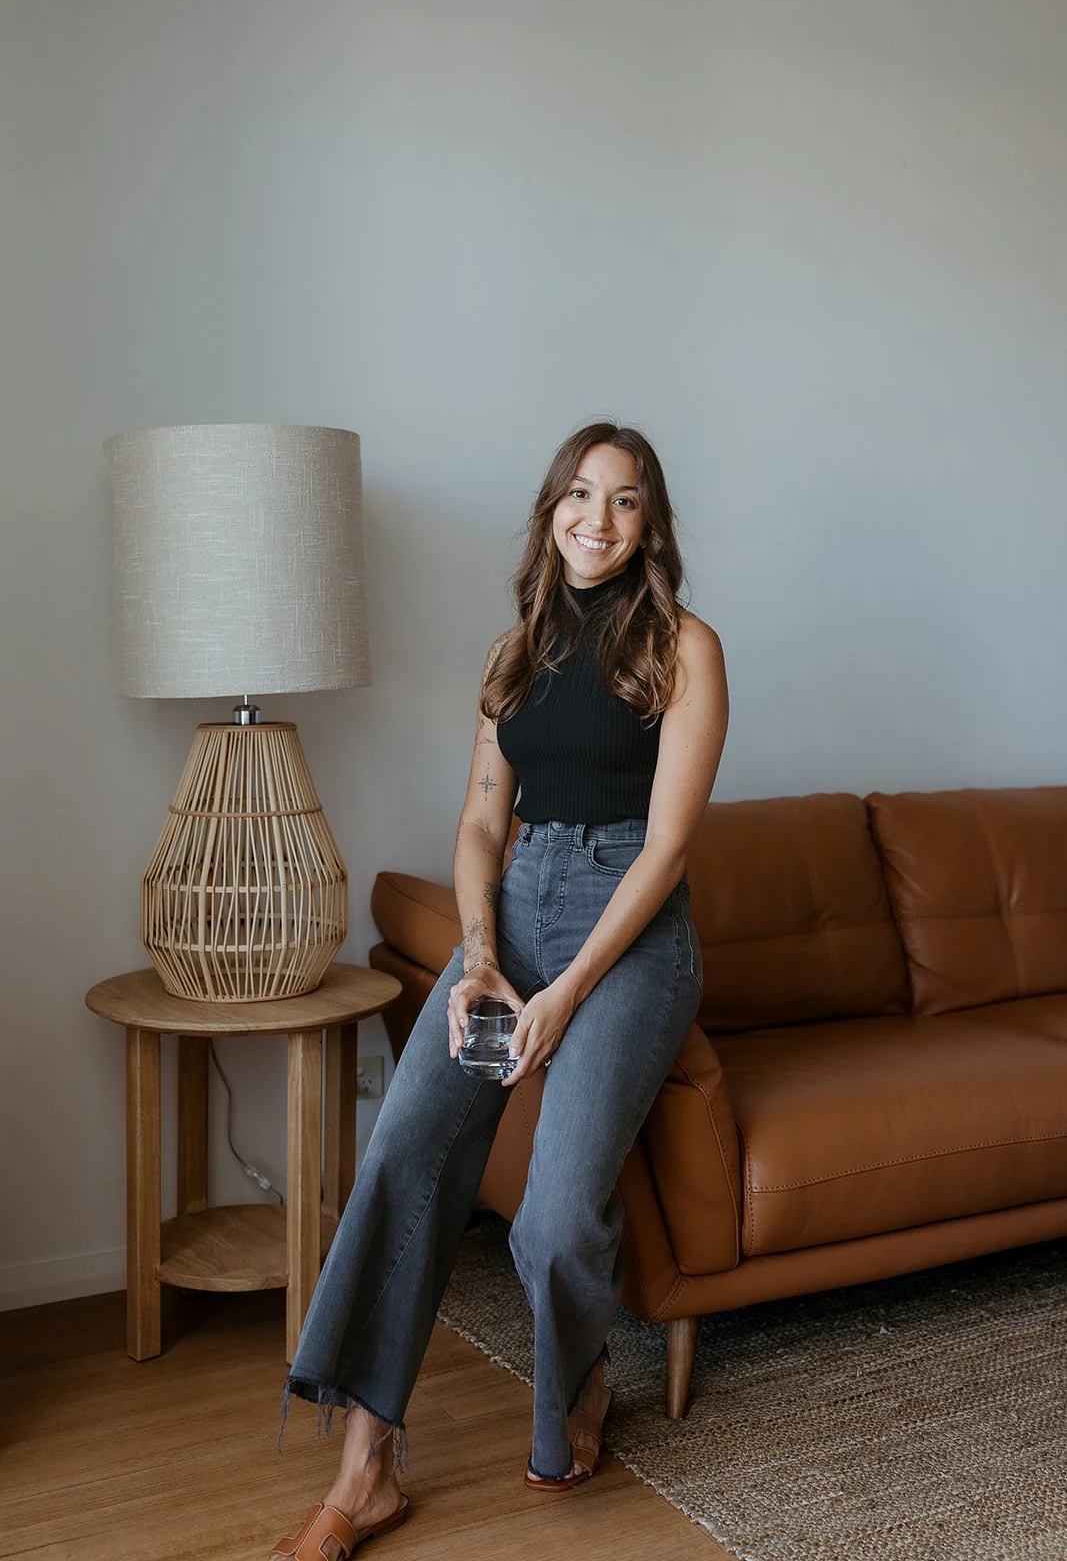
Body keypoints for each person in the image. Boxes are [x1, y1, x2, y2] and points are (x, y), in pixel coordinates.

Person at [269, 422, 729, 1561]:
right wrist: (478, 953)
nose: (597, 519)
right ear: (549, 510)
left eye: (624, 502)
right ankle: (363, 1469)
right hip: (513, 913)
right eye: (579, 494)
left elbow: (666, 845)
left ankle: (578, 1385)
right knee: (403, 1154)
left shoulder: (684, 647)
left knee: (560, 1212)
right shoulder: (513, 651)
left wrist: (566, 990)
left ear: (650, 525)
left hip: (627, 934)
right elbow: (481, 819)